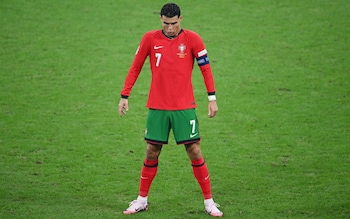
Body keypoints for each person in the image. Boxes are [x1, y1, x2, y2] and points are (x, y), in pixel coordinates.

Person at [118, 3, 223, 217]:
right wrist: (124, 95)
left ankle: (209, 202)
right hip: (157, 107)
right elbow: (135, 66)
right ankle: (141, 200)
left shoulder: (193, 39)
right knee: (151, 151)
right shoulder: (149, 38)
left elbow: (206, 68)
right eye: (166, 24)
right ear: (161, 20)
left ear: (180, 19)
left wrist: (211, 98)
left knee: (194, 150)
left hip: (184, 107)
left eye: (174, 23)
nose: (170, 28)